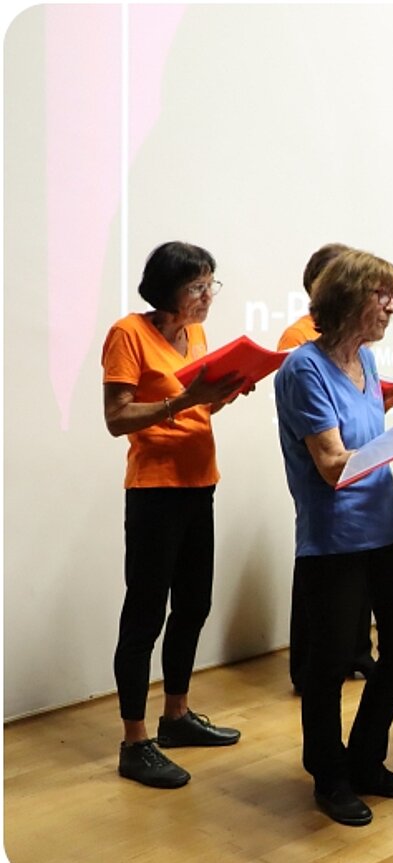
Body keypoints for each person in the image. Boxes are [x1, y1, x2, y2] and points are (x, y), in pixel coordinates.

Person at [273, 248, 393, 826]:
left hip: (385, 529)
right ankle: (329, 775)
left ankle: (365, 757)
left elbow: (363, 446)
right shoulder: (304, 368)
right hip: (334, 539)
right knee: (330, 664)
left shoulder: (363, 363)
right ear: (347, 299)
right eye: (382, 294)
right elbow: (333, 464)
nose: (391, 306)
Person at [102, 241, 248, 789]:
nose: (207, 295)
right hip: (154, 490)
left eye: (211, 283)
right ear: (168, 291)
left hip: (199, 484)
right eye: (196, 287)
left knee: (194, 604)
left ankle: (177, 716)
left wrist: (222, 394)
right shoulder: (128, 334)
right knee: (145, 613)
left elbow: (196, 403)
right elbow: (117, 418)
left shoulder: (198, 335)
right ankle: (134, 740)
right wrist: (188, 401)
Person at [280, 242, 376, 693]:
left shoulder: (366, 356)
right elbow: (327, 452)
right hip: (329, 503)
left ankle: (356, 653)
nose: (385, 304)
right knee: (324, 614)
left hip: (371, 506)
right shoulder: (302, 349)